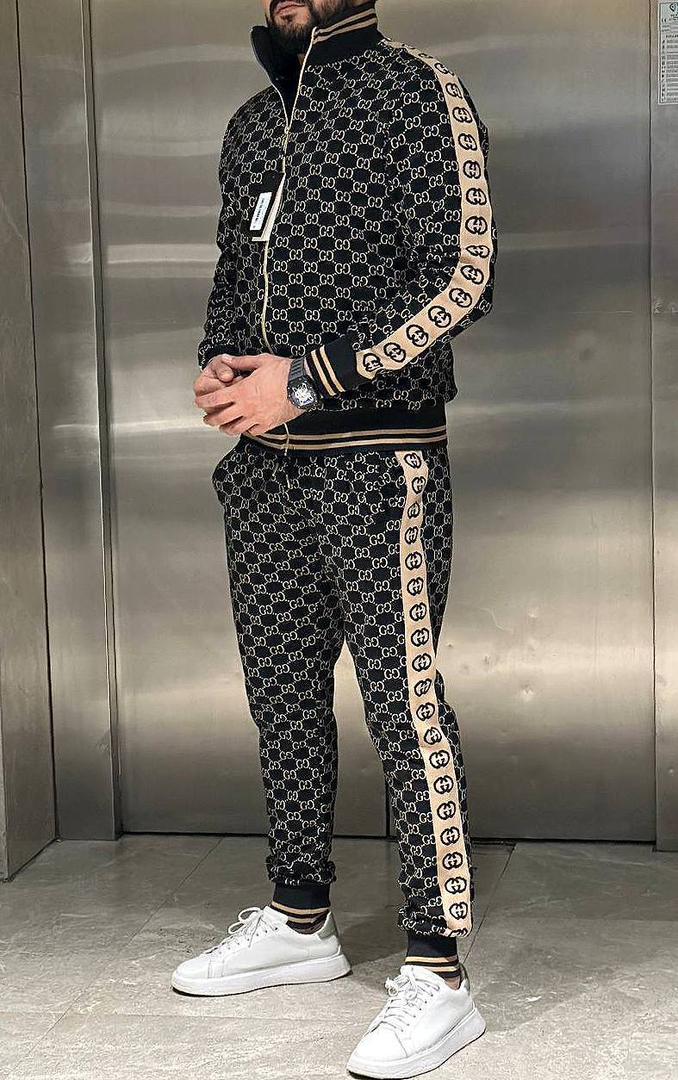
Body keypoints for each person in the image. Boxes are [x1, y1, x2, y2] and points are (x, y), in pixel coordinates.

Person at [173, 1, 497, 1075]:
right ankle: (299, 917)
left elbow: (462, 275)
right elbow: (234, 272)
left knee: (404, 705)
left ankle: (439, 973)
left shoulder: (416, 90)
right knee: (281, 694)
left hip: (379, 461)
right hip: (263, 470)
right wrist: (224, 365)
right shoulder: (249, 123)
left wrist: (307, 380)